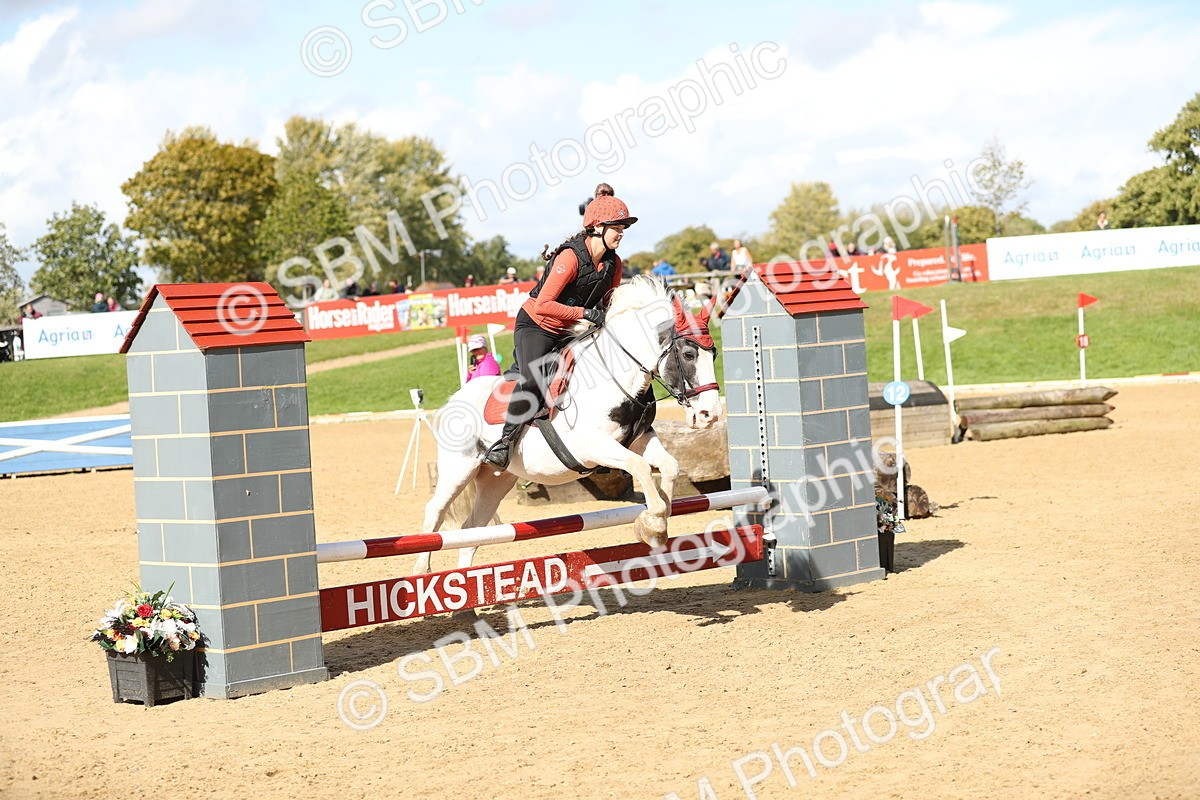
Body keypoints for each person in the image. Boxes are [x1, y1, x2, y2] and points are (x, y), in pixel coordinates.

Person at [482, 195, 637, 470]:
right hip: (537, 325)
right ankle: (504, 443)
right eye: (616, 227)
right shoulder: (570, 257)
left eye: (623, 228)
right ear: (597, 227)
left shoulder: (614, 264)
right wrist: (585, 314)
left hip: (569, 329)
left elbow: (607, 303)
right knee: (533, 380)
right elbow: (543, 304)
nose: (621, 233)